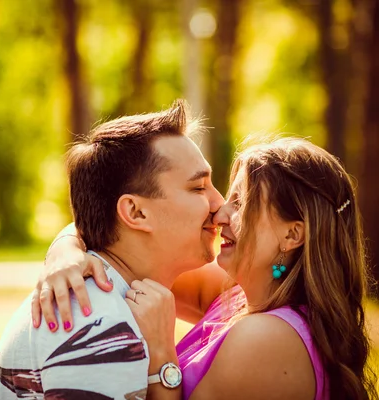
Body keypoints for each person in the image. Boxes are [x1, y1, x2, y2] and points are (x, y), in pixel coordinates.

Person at [33, 137, 379, 399]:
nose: (220, 213)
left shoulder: (268, 340)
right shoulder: (236, 295)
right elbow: (120, 240)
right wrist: (65, 253)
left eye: (242, 203)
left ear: (292, 234)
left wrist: (162, 353)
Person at [0, 100, 225, 399]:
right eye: (198, 188)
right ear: (136, 213)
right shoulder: (99, 325)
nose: (220, 205)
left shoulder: (109, 302)